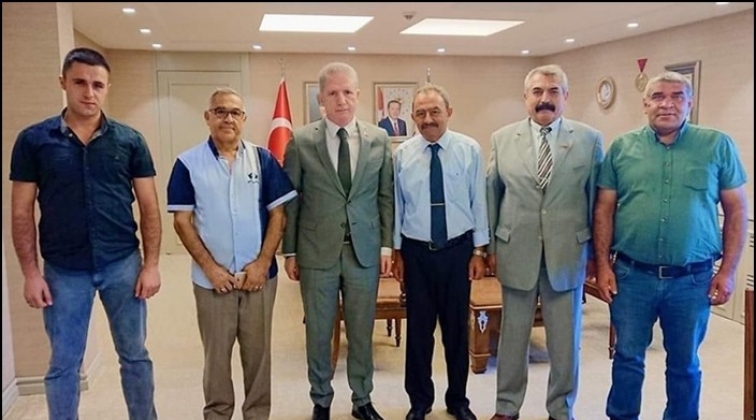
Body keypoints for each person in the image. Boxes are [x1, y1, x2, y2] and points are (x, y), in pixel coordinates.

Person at [9, 47, 161, 420]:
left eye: (97, 85)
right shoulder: (33, 141)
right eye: (80, 83)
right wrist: (30, 274)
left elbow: (149, 207)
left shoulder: (130, 141)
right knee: (64, 363)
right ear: (63, 82)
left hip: (122, 264)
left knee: (135, 356)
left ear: (107, 87)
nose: (89, 93)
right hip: (63, 271)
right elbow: (21, 212)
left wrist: (151, 265)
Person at [593, 71, 748, 420]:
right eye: (658, 96)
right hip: (632, 276)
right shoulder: (622, 148)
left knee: (684, 364)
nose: (667, 104)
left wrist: (727, 272)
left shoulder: (716, 146)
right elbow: (603, 210)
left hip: (691, 281)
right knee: (627, 359)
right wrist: (602, 266)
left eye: (677, 96)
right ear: (645, 103)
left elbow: (737, 210)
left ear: (690, 103)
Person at [167, 87, 297, 419]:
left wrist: (263, 263)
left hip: (259, 280)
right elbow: (182, 222)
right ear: (207, 117)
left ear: (244, 119)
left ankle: (257, 414)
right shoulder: (187, 163)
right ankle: (218, 414)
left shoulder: (263, 159)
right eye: (220, 111)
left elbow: (279, 215)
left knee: (259, 357)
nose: (228, 118)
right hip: (212, 282)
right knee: (216, 359)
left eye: (235, 112)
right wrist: (210, 268)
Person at [486, 64, 604, 420]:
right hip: (515, 250)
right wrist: (489, 249)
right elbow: (493, 196)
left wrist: (597, 256)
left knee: (565, 341)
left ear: (565, 96)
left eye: (553, 91)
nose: (545, 99)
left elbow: (596, 201)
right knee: (512, 338)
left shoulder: (589, 140)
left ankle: (561, 409)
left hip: (568, 254)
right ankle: (507, 407)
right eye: (537, 92)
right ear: (526, 97)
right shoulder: (502, 139)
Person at [282, 62, 393, 420]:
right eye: (333, 93)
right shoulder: (301, 141)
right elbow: (292, 200)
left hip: (364, 251)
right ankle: (321, 399)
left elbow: (385, 196)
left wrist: (386, 246)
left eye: (347, 92)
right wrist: (290, 251)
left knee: (361, 330)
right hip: (316, 252)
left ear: (358, 95)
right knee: (318, 331)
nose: (341, 99)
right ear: (321, 99)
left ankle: (363, 399)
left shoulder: (378, 139)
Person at [392, 83, 489, 420]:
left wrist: (479, 251)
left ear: (449, 112)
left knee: (456, 332)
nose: (428, 119)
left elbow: (479, 202)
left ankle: (458, 400)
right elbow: (398, 208)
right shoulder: (402, 154)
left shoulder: (469, 150)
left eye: (435, 111)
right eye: (420, 113)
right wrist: (397, 252)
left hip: (457, 252)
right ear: (413, 117)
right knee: (419, 333)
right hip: (417, 253)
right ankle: (419, 401)